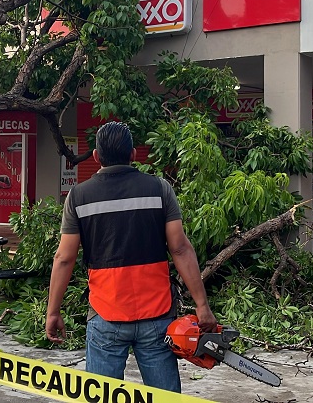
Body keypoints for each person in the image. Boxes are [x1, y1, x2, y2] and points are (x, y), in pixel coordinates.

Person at [46, 121, 217, 393]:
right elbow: (180, 249)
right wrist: (202, 305)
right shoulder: (159, 189)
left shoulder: (79, 196)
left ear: (96, 157)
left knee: (102, 396)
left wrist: (53, 311)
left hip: (105, 313)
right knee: (165, 400)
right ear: (134, 155)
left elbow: (64, 258)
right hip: (157, 315)